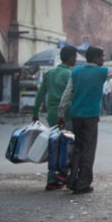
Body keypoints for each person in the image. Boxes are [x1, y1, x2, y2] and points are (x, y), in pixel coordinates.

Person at [58, 46, 112, 194]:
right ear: (96, 58)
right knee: (88, 150)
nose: (104, 59)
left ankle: (72, 180)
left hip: (76, 115)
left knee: (77, 149)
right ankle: (83, 183)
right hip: (91, 117)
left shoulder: (76, 71)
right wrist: (102, 68)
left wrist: (60, 113)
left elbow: (67, 94)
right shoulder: (101, 72)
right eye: (102, 57)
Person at [33, 46, 77, 190]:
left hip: (52, 114)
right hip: (67, 114)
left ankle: (52, 179)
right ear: (70, 58)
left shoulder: (50, 73)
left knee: (54, 146)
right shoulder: (70, 74)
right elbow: (72, 95)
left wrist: (35, 113)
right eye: (75, 57)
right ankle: (63, 174)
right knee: (68, 146)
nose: (76, 59)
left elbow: (40, 95)